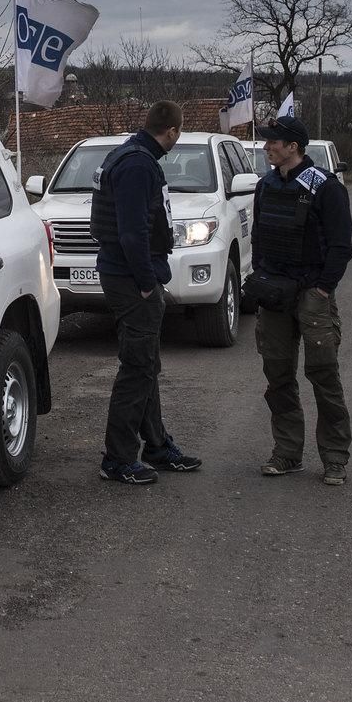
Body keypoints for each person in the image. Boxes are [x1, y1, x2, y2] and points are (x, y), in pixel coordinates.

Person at [92, 100, 201, 485]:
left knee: (147, 364)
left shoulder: (132, 156)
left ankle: (156, 445)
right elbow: (132, 232)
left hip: (131, 274)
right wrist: (144, 283)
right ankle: (118, 459)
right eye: (179, 132)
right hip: (130, 278)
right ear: (172, 131)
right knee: (137, 368)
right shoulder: (138, 165)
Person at [251, 113, 352, 484]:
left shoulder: (325, 187)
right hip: (275, 293)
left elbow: (342, 245)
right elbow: (258, 237)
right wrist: (261, 276)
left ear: (292, 147)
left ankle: (334, 458)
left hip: (313, 293)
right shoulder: (265, 186)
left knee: (323, 375)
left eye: (273, 143)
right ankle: (287, 453)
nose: (266, 147)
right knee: (277, 375)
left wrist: (324, 288)